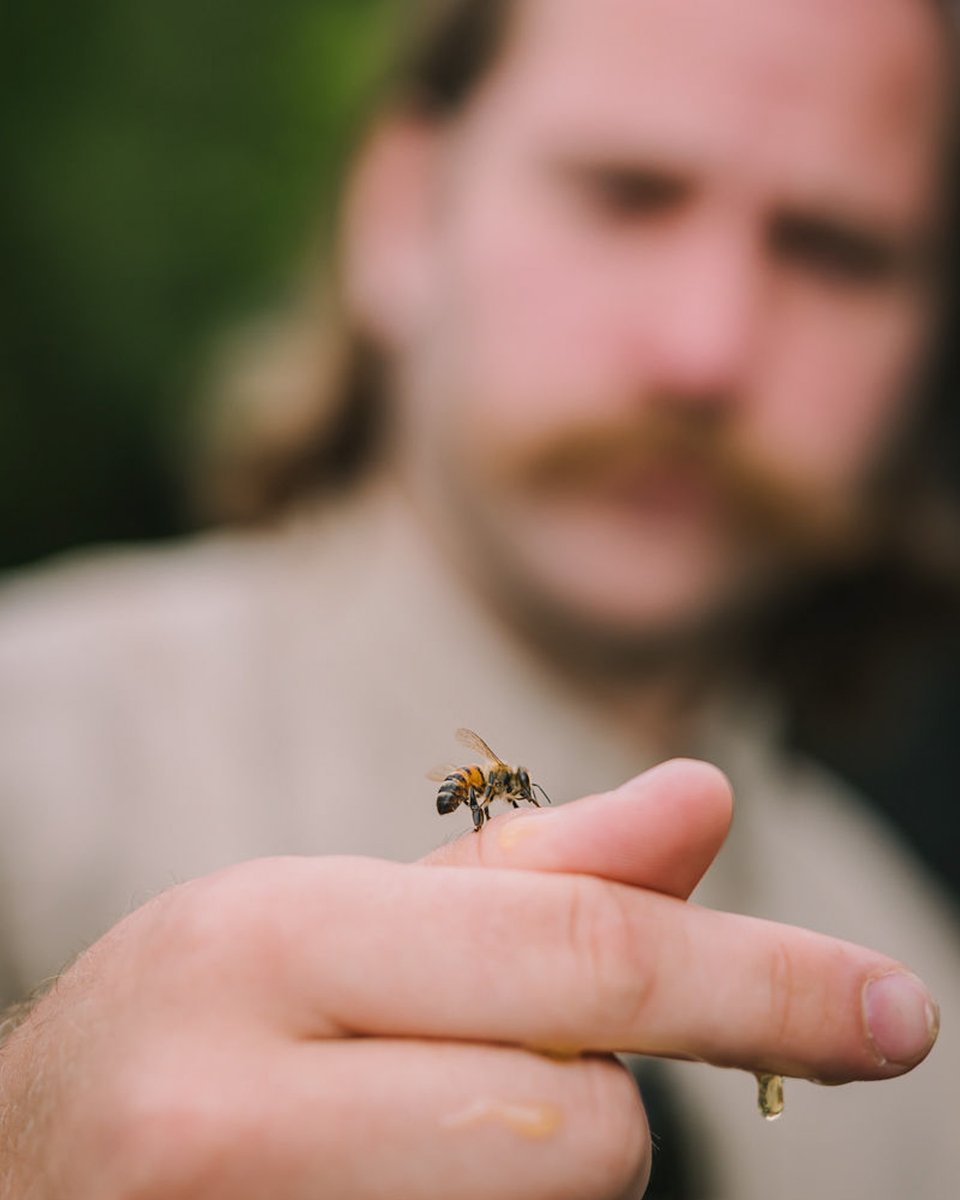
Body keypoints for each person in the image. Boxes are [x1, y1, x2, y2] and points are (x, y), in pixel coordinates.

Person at [0, 0, 957, 1195]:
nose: (705, 350)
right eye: (627, 193)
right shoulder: (31, 758)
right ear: (401, 209)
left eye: (835, 249)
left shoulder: (920, 1006)